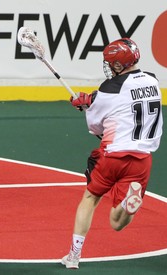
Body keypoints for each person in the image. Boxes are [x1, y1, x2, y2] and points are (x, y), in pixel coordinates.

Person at [61, 38, 163, 269]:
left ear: (118, 65)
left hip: (114, 156)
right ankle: (128, 203)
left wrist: (86, 105)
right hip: (142, 159)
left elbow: (96, 127)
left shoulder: (110, 88)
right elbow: (122, 100)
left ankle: (74, 256)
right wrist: (93, 101)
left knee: (90, 198)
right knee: (117, 222)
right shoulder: (153, 80)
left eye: (111, 62)